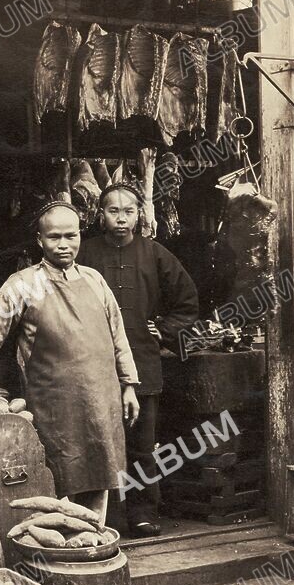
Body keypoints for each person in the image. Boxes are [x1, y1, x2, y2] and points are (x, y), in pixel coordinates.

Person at [0, 201, 140, 517]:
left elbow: (118, 336)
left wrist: (128, 384)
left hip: (102, 396)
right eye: (54, 237)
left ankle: (91, 535)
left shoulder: (95, 280)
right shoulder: (22, 284)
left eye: (70, 236)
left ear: (80, 237)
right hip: (53, 401)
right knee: (58, 472)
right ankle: (59, 543)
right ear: (39, 240)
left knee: (100, 468)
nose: (63, 245)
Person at [79, 182, 199, 536]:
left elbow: (187, 300)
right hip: (91, 362)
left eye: (128, 211)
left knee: (142, 444)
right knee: (94, 439)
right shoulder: (84, 253)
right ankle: (99, 518)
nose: (121, 219)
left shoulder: (155, 253)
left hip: (142, 361)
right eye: (113, 211)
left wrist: (164, 328)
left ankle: (143, 512)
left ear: (140, 214)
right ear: (100, 215)